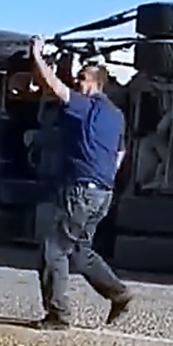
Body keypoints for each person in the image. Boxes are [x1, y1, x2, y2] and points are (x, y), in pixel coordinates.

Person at [28, 35, 133, 329]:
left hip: (81, 191)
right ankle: (119, 293)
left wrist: (35, 53)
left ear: (96, 83)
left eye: (82, 79)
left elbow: (52, 86)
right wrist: (105, 178)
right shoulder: (116, 115)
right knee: (80, 250)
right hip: (102, 193)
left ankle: (58, 316)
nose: (78, 82)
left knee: (54, 249)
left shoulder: (86, 107)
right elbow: (121, 152)